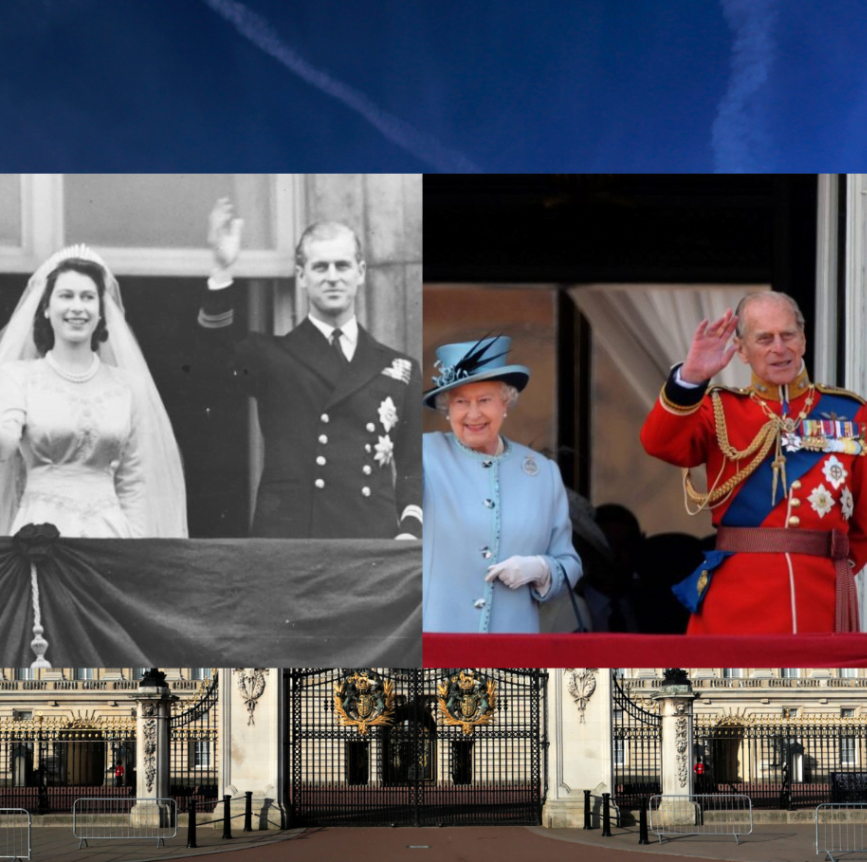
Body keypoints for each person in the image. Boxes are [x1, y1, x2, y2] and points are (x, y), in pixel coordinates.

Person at [640, 291, 867, 636]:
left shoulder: (851, 414)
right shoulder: (718, 409)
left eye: (788, 335)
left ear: (804, 340)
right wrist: (689, 379)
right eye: (764, 338)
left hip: (820, 604)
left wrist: (829, 574)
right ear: (741, 349)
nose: (779, 348)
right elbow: (658, 443)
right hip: (736, 604)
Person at [198, 199, 422, 539]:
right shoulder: (271, 356)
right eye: (320, 267)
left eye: (342, 266)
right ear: (301, 276)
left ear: (360, 272)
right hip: (292, 539)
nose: (332, 277)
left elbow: (412, 467)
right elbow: (213, 359)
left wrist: (410, 528)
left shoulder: (399, 367)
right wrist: (222, 269)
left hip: (370, 542)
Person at [0, 245, 187, 538]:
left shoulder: (129, 386)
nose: (77, 307)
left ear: (100, 312)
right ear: (46, 307)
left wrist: (135, 554)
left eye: (88, 297)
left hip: (111, 537)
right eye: (66, 296)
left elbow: (135, 478)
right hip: (42, 535)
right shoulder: (19, 376)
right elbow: (5, 445)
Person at [423, 336, 583, 634]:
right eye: (461, 402)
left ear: (505, 402)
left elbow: (569, 562)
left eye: (484, 400)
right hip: (437, 646)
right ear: (447, 408)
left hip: (514, 648)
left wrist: (542, 568)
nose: (473, 414)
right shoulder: (421, 456)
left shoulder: (543, 473)